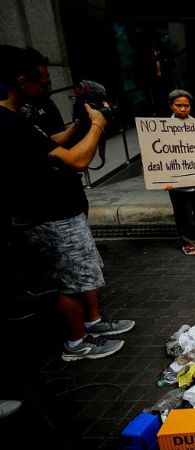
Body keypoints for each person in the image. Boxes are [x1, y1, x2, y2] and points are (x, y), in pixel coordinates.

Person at [2, 45, 134, 361]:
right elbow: (77, 160)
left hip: (64, 206)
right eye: (43, 81)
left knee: (84, 271)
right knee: (71, 280)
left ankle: (93, 322)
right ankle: (77, 343)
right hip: (50, 214)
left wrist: (80, 124)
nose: (48, 87)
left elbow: (53, 143)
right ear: (21, 80)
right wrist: (99, 124)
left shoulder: (22, 116)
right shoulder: (8, 122)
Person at [165, 90, 195, 255]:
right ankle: (187, 242)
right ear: (172, 106)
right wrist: (162, 179)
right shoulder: (162, 128)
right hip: (177, 178)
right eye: (178, 105)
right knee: (183, 211)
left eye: (186, 105)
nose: (182, 109)